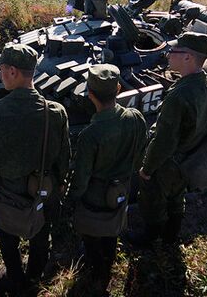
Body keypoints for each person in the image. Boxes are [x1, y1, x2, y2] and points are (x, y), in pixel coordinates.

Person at [0, 44, 70, 293]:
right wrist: (57, 186)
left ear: (13, 71)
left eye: (2, 70)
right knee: (41, 234)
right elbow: (64, 158)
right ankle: (34, 277)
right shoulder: (55, 112)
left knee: (7, 238)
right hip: (43, 189)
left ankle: (15, 279)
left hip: (7, 191)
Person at [67, 64, 148, 294]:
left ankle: (95, 269)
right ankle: (107, 264)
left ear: (90, 94)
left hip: (94, 196)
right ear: (119, 89)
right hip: (120, 189)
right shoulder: (136, 118)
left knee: (92, 236)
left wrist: (72, 198)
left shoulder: (90, 135)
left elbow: (81, 178)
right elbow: (141, 154)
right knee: (112, 230)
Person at [137, 32, 207, 246]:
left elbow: (164, 141)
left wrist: (147, 169)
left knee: (154, 200)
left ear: (188, 58)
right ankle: (171, 237)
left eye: (173, 51)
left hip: (170, 163)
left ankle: (149, 238)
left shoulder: (179, 96)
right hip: (193, 159)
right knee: (177, 199)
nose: (168, 55)